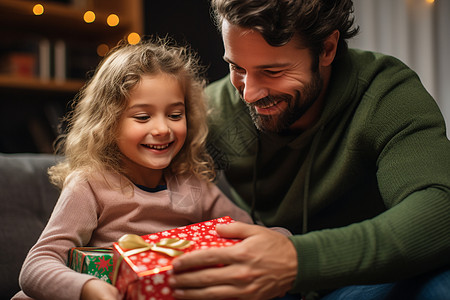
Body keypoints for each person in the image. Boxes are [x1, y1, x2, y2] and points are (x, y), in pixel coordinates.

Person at [168, 0, 450, 299]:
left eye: (273, 71)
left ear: (327, 49)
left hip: (366, 279)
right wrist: (111, 273)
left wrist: (296, 260)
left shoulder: (383, 94)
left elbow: (439, 208)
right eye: (237, 67)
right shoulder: (213, 110)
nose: (249, 93)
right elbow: (126, 181)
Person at [13, 38, 255, 300]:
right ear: (108, 123)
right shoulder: (91, 184)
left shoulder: (192, 185)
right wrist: (87, 289)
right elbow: (36, 266)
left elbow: (252, 233)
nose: (162, 129)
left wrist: (288, 244)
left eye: (175, 115)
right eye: (142, 117)